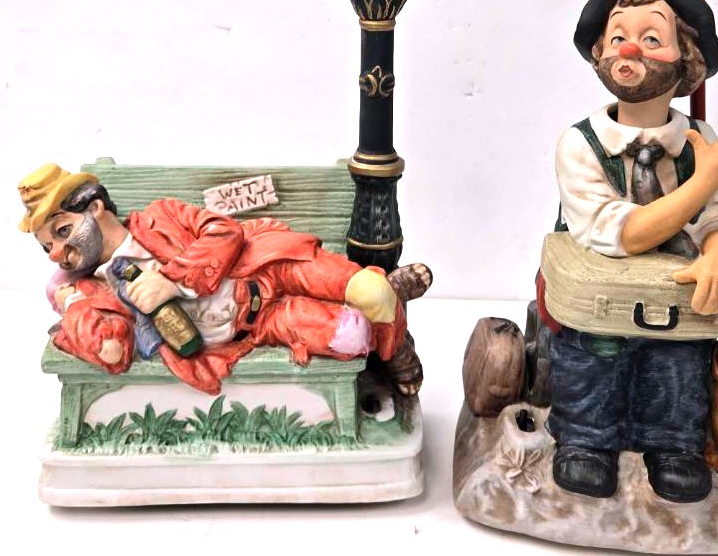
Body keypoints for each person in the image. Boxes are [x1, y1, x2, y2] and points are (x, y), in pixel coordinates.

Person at [545, 0, 718, 503]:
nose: (630, 48)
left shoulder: (698, 139)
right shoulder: (581, 144)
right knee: (597, 356)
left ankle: (672, 443)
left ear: (688, 58)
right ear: (600, 53)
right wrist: (703, 180)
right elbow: (620, 232)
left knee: (677, 358)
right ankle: (587, 439)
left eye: (652, 38)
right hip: (600, 294)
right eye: (617, 35)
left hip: (674, 295)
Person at [19, 164, 429, 396]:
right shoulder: (94, 292)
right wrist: (70, 303)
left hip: (269, 267)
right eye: (47, 247)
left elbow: (225, 231)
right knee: (353, 334)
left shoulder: (162, 215)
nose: (56, 253)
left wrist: (172, 281)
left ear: (95, 208)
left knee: (371, 291)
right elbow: (111, 352)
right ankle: (392, 327)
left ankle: (393, 341)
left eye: (63, 231)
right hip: (264, 326)